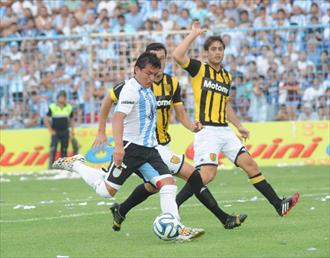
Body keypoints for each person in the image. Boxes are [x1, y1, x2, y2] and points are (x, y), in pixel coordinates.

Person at [93, 43, 246, 231]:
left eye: (162, 58)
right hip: (146, 146)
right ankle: (218, 219)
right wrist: (101, 131)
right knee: (191, 175)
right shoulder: (134, 85)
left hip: (161, 145)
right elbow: (108, 102)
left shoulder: (172, 83)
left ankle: (122, 210)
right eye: (155, 58)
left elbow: (179, 112)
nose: (159, 62)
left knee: (153, 186)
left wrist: (192, 127)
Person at [52, 52, 204, 241]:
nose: (151, 78)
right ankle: (76, 164)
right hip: (131, 149)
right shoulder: (130, 90)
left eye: (154, 75)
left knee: (168, 184)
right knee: (106, 191)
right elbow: (118, 117)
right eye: (147, 73)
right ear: (137, 70)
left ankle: (176, 228)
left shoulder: (147, 87)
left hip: (149, 150)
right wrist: (118, 147)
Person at [172, 21, 300, 217]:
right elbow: (177, 55)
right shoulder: (199, 69)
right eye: (213, 49)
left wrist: (239, 126)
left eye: (220, 49)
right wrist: (194, 34)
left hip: (224, 130)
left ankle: (278, 205)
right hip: (207, 131)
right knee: (206, 175)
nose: (217, 52)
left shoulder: (226, 76)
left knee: (250, 164)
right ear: (206, 53)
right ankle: (172, 206)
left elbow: (225, 105)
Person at [44, 90, 74, 169]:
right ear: (58, 98)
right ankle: (51, 167)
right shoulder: (52, 106)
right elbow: (46, 119)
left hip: (65, 131)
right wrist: (50, 130)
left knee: (64, 149)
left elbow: (71, 120)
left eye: (64, 97)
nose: (62, 99)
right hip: (55, 131)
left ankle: (63, 167)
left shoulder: (69, 107)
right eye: (61, 97)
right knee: (53, 148)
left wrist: (72, 131)